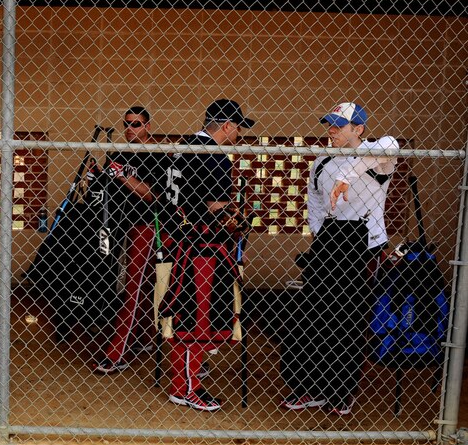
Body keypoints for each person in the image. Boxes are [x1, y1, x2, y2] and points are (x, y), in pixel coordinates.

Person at [280, 102, 398, 416]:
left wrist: (348, 173)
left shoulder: (376, 155)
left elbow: (391, 144)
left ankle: (339, 392)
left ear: (358, 129)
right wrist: (321, 237)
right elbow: (315, 203)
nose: (331, 130)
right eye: (329, 125)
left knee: (348, 320)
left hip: (364, 244)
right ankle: (310, 387)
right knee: (314, 317)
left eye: (339, 126)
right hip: (330, 242)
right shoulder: (322, 159)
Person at [155, 98, 254, 411]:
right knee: (195, 317)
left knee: (187, 313)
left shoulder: (182, 148)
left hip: (175, 241)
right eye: (237, 127)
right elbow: (213, 207)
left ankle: (188, 376)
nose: (238, 134)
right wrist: (236, 216)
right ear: (225, 126)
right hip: (200, 248)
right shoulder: (214, 156)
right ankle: (185, 387)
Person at [90, 107, 167, 374]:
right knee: (143, 284)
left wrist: (123, 176)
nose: (130, 128)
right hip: (126, 225)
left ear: (148, 126)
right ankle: (144, 337)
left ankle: (116, 352)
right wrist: (97, 176)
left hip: (152, 226)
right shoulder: (122, 152)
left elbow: (154, 196)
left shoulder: (157, 154)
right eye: (127, 124)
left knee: (134, 287)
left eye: (136, 124)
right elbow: (109, 188)